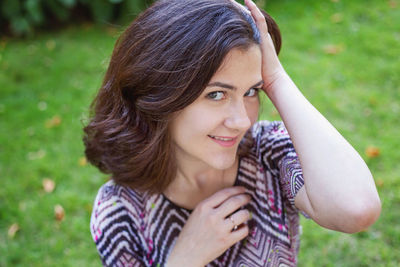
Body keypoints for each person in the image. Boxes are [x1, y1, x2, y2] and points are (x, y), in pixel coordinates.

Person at [83, 0, 381, 266]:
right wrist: (186, 259)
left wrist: (276, 79)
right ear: (160, 94)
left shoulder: (269, 153)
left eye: (251, 91)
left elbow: (356, 208)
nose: (241, 121)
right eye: (216, 95)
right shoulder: (120, 212)